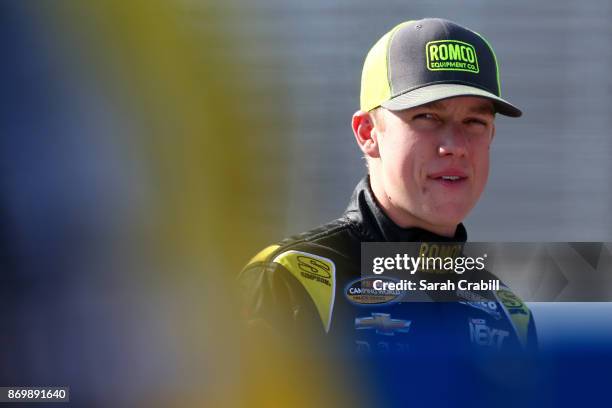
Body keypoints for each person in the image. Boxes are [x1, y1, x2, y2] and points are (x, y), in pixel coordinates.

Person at [239, 18, 537, 354]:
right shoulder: (291, 280)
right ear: (368, 133)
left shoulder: (508, 312)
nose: (455, 145)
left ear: (492, 137)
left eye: (475, 122)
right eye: (427, 117)